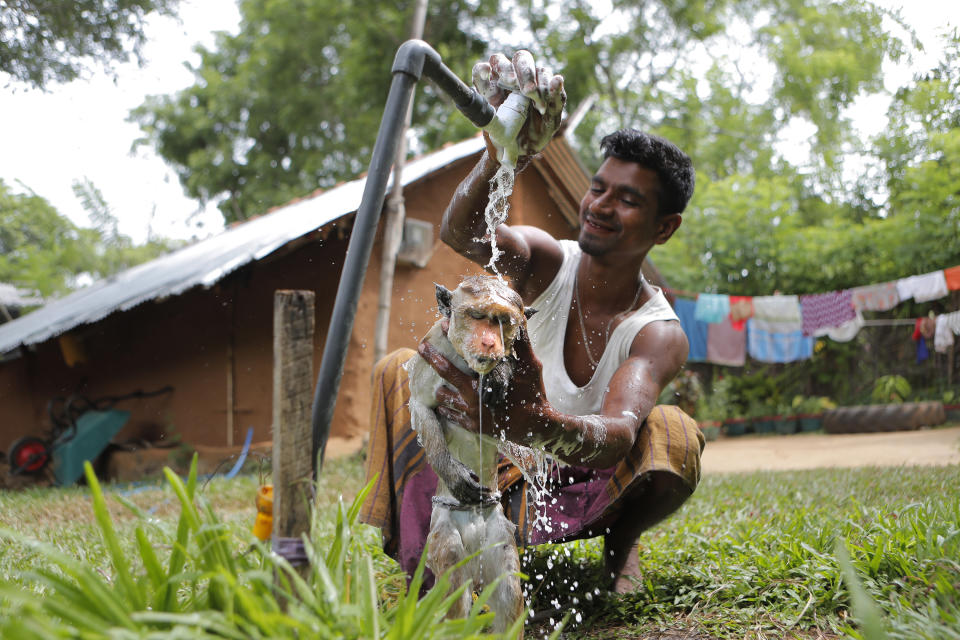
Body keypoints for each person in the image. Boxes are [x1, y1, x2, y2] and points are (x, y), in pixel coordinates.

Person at [361, 51, 703, 594]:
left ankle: (621, 545)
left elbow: (616, 438)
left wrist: (529, 420)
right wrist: (502, 157)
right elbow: (462, 233)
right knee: (400, 369)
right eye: (599, 188)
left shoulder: (657, 331)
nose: (601, 206)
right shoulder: (547, 261)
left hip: (573, 486)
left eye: (629, 199)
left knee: (674, 434)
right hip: (495, 470)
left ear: (664, 228)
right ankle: (426, 559)